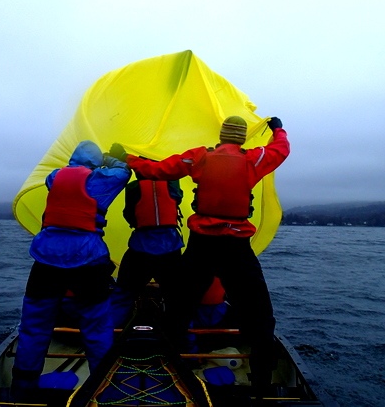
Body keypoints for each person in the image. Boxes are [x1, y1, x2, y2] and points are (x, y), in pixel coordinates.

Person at [108, 116, 290, 396]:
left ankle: (172, 368)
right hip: (236, 246)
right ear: (241, 139)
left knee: (179, 309)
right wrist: (277, 129)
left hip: (202, 244)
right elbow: (281, 149)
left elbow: (157, 170)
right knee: (260, 317)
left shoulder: (200, 158)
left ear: (221, 136)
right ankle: (262, 386)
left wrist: (127, 158)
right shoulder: (254, 160)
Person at [11, 140, 131, 399]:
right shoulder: (100, 180)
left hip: (46, 258)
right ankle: (104, 392)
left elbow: (67, 174)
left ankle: (22, 389)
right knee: (97, 328)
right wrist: (113, 159)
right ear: (95, 163)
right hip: (87, 260)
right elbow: (123, 172)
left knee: (34, 326)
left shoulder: (54, 178)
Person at [110, 174, 184, 329]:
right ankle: (182, 345)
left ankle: (111, 339)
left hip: (140, 248)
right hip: (170, 249)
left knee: (123, 294)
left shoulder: (132, 187)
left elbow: (129, 214)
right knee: (177, 299)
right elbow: (177, 199)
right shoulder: (171, 184)